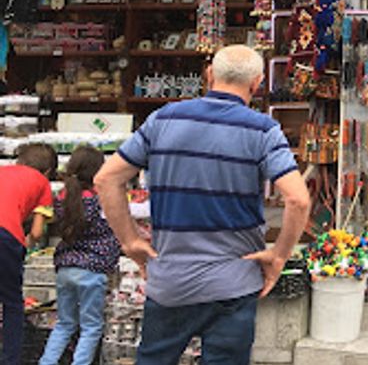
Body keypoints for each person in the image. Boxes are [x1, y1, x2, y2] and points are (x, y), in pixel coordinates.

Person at [95, 45, 310, 365]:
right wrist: (278, 256)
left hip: (170, 282)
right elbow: (297, 198)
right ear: (257, 83)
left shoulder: (162, 119)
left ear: (209, 75)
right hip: (234, 285)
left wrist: (130, 241)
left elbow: (105, 179)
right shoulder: (263, 130)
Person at [40, 145, 120, 365]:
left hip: (65, 268)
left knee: (64, 324)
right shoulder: (100, 200)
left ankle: (46, 362)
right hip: (92, 272)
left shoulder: (63, 198)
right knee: (91, 327)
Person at [0, 142, 58, 365]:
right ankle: (10, 360)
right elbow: (35, 231)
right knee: (12, 304)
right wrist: (25, 243)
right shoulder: (42, 183)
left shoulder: (3, 171)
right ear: (47, 172)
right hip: (6, 237)